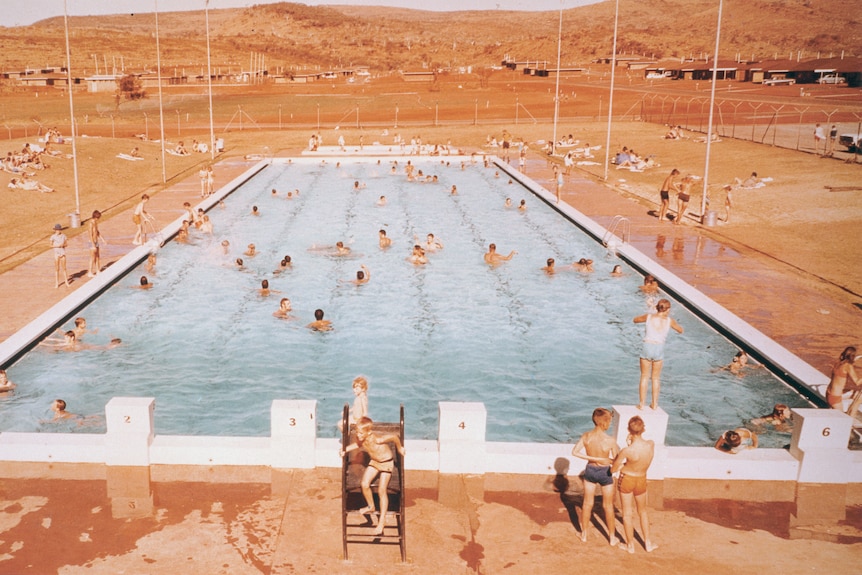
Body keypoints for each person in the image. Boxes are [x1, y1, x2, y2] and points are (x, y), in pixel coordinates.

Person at [340, 417, 405, 535]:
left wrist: (400, 448)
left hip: (386, 463)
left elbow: (394, 437)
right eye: (357, 432)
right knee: (364, 484)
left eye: (360, 433)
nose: (358, 435)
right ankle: (371, 506)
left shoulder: (377, 439)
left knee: (381, 490)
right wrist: (345, 450)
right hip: (374, 462)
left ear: (368, 432)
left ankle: (381, 522)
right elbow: (357, 444)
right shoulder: (362, 439)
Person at [571, 407, 620, 546]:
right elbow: (616, 460)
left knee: (587, 503)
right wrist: (607, 461)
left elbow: (575, 452)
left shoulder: (586, 436)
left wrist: (592, 458)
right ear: (605, 422)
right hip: (605, 472)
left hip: (591, 470)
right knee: (608, 506)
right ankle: (612, 538)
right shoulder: (610, 440)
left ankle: (584, 535)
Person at [611, 416, 657, 554]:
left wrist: (627, 444)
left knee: (627, 513)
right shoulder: (650, 444)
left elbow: (613, 469)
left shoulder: (627, 450)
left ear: (628, 430)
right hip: (641, 479)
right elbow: (642, 462)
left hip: (627, 479)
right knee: (642, 511)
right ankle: (648, 543)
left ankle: (630, 545)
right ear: (643, 429)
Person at [633, 299, 683, 410]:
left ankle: (641, 404)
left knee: (644, 376)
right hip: (659, 348)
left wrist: (649, 312)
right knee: (656, 378)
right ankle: (654, 404)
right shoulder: (670, 321)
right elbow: (680, 330)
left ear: (657, 307)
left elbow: (635, 320)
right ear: (668, 310)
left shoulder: (648, 317)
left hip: (647, 346)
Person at [825, 346, 860, 411]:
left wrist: (856, 358)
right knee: (860, 398)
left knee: (855, 394)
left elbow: (846, 364)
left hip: (828, 394)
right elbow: (857, 382)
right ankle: (851, 415)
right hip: (835, 398)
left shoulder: (838, 363)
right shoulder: (848, 366)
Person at [50, 223, 70, 288]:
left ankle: (66, 281)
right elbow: (50, 245)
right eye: (57, 230)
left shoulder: (63, 236)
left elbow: (67, 244)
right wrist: (57, 246)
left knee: (64, 268)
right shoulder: (53, 237)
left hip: (62, 253)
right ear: (55, 230)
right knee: (57, 269)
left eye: (59, 230)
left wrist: (63, 245)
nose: (58, 231)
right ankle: (57, 283)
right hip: (56, 254)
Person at [87, 210, 105, 277]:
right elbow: (90, 235)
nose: (98, 219)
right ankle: (90, 272)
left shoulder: (95, 222)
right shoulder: (90, 224)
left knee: (97, 256)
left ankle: (98, 270)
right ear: (95, 217)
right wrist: (93, 244)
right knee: (92, 257)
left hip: (96, 241)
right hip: (91, 242)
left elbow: (97, 232)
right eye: (98, 218)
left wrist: (102, 239)